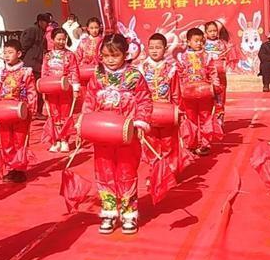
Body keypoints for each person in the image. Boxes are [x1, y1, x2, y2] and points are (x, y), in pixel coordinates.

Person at [81, 34, 153, 235]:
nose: (110, 60)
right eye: (106, 56)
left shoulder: (135, 76)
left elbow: (145, 101)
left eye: (115, 55)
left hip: (126, 135)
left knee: (126, 172)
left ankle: (129, 213)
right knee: (104, 172)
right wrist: (85, 122)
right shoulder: (98, 76)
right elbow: (89, 100)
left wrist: (140, 121)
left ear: (125, 54)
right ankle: (109, 212)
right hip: (102, 135)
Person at [139, 33, 185, 188]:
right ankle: (154, 172)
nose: (154, 50)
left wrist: (177, 110)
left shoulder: (171, 69)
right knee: (151, 143)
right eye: (151, 47)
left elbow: (176, 92)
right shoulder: (142, 69)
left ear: (165, 49)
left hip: (167, 111)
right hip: (149, 111)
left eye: (158, 47)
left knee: (168, 143)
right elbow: (138, 92)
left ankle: (169, 172)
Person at [0, 39, 37, 184]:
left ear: (18, 54)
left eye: (10, 52)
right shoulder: (1, 73)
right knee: (6, 141)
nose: (6, 55)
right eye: (5, 52)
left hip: (20, 112)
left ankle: (20, 169)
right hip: (4, 112)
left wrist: (31, 110)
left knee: (19, 140)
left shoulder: (26, 72)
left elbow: (31, 91)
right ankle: (10, 167)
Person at [176, 28, 221, 156]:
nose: (199, 43)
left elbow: (213, 72)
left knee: (205, 117)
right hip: (188, 94)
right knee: (190, 118)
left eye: (201, 41)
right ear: (188, 42)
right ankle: (191, 143)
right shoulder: (182, 57)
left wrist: (215, 87)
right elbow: (179, 75)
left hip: (205, 93)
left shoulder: (207, 57)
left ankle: (205, 144)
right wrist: (180, 90)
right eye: (196, 41)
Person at [41, 28, 79, 153]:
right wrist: (43, 87)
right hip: (51, 89)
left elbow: (74, 70)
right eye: (59, 39)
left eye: (63, 39)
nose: (61, 42)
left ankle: (64, 140)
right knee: (53, 114)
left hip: (65, 89)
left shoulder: (70, 55)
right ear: (53, 39)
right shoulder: (47, 56)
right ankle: (55, 140)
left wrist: (75, 88)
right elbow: (44, 71)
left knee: (65, 114)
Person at [21, 14, 49, 117]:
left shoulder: (42, 33)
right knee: (31, 89)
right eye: (46, 22)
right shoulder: (32, 30)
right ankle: (31, 110)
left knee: (38, 89)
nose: (47, 25)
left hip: (38, 64)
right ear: (40, 22)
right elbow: (24, 46)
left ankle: (37, 111)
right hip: (30, 64)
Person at [204, 21, 231, 121]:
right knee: (207, 98)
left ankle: (219, 120)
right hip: (207, 76)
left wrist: (223, 59)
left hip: (220, 76)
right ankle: (207, 120)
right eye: (210, 31)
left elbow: (227, 58)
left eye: (215, 31)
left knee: (220, 97)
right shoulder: (202, 44)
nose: (213, 33)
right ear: (206, 32)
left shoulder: (222, 44)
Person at [74, 17, 104, 85]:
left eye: (96, 28)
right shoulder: (83, 41)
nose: (94, 30)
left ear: (100, 28)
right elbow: (77, 56)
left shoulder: (103, 41)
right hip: (84, 70)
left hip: (99, 70)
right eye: (91, 28)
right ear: (88, 28)